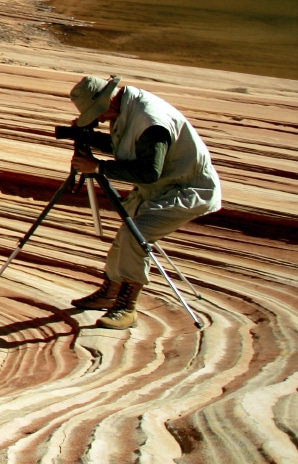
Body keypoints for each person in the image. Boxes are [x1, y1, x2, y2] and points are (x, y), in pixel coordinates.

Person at [65, 75, 221, 329]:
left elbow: (149, 172)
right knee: (126, 239)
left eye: (99, 114)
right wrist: (87, 138)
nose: (101, 120)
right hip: (160, 189)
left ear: (109, 101)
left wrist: (98, 167)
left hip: (184, 191)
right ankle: (110, 291)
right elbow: (126, 146)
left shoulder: (150, 122)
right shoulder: (130, 107)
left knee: (134, 236)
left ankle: (127, 307)